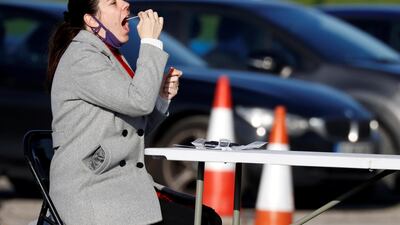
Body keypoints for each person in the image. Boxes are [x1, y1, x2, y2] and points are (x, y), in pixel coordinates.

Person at [46, 0, 220, 224]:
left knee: (205, 217)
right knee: (202, 220)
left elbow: (136, 127)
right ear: (91, 20)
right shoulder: (83, 57)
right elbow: (138, 102)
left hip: (121, 188)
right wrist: (149, 42)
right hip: (92, 193)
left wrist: (161, 97)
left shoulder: (109, 55)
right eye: (113, 2)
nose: (125, 4)